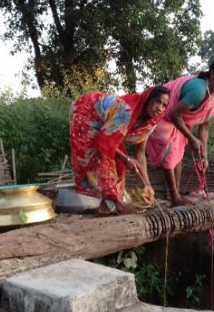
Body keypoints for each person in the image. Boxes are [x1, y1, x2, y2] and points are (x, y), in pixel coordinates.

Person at [69, 86, 170, 215]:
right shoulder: (126, 111)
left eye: (164, 105)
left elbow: (140, 153)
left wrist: (147, 184)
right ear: (148, 100)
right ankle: (119, 204)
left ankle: (106, 207)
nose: (160, 108)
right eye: (157, 102)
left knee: (117, 160)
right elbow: (104, 142)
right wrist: (126, 159)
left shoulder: (151, 122)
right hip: (86, 111)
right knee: (102, 156)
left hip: (105, 126)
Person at [146, 59, 214, 206]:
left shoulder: (213, 95)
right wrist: (192, 138)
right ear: (213, 74)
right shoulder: (198, 91)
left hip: (176, 116)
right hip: (162, 112)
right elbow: (174, 114)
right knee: (171, 148)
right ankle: (174, 197)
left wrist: (204, 157)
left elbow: (204, 127)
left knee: (178, 153)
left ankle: (174, 194)